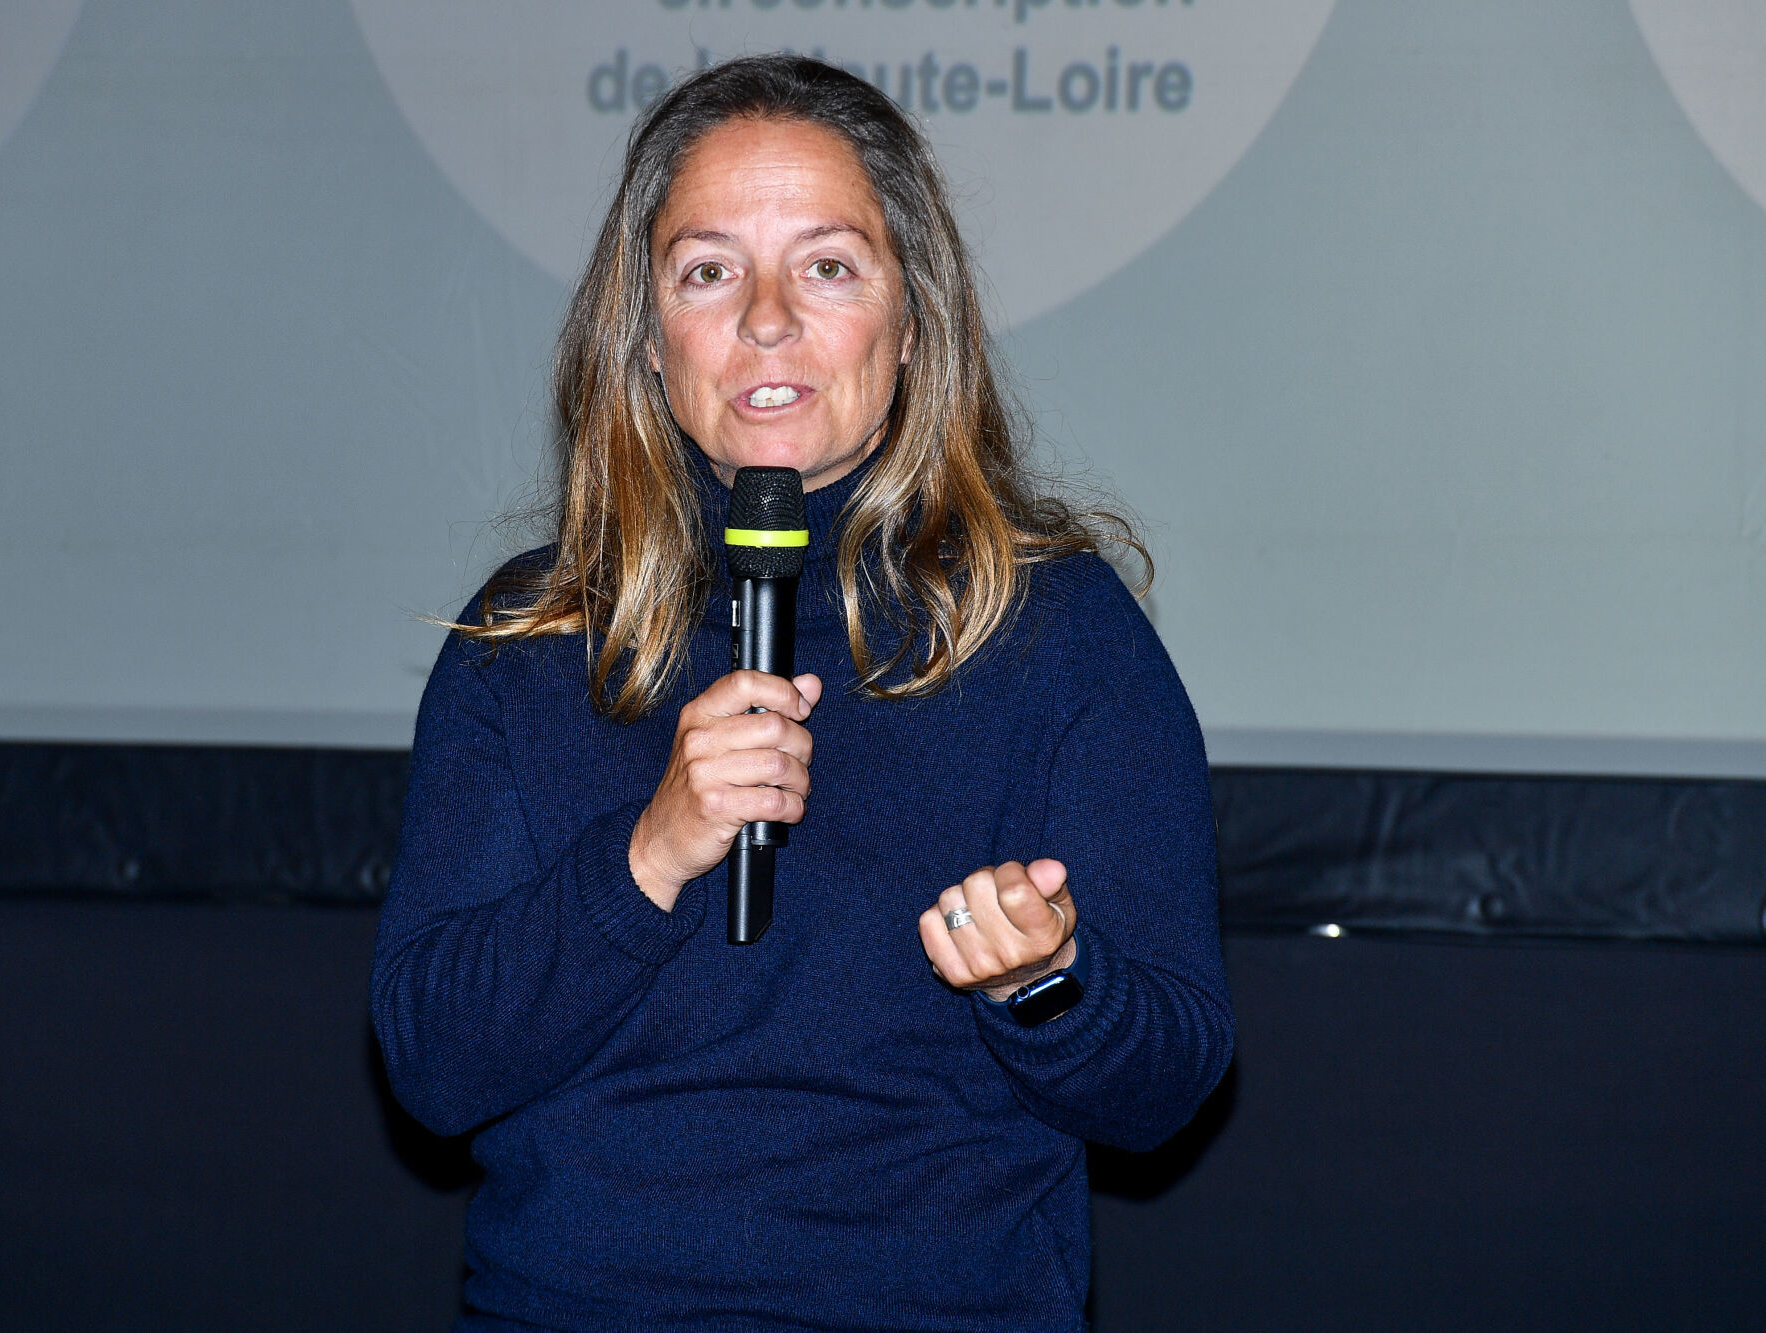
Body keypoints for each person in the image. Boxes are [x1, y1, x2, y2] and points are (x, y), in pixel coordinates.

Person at [371, 54, 1232, 1332]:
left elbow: (1163, 1088)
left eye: (826, 266)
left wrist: (1042, 981)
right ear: (646, 340)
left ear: (910, 323)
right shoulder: (532, 636)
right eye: (707, 272)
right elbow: (432, 1069)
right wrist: (647, 856)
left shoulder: (1052, 628)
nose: (766, 319)